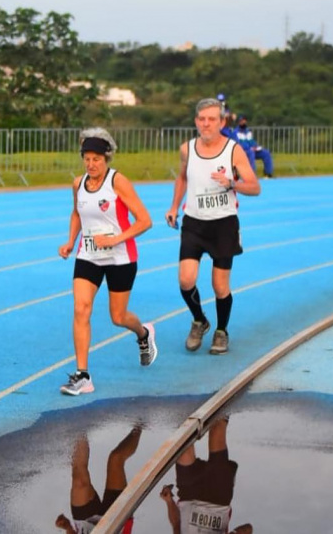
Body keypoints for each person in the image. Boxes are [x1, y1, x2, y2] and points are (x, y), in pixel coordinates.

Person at [57, 127, 158, 396]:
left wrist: (116, 239)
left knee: (118, 316)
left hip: (120, 257)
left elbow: (145, 221)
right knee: (81, 309)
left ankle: (143, 333)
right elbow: (77, 214)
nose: (91, 164)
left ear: (107, 158)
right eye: (87, 159)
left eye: (97, 159)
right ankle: (82, 375)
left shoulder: (118, 182)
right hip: (88, 254)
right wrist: (70, 241)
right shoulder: (78, 184)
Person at [164, 99, 261, 355]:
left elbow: (255, 186)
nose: (206, 124)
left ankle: (221, 331)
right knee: (186, 280)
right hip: (194, 223)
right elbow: (183, 177)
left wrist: (231, 183)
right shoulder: (187, 149)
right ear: (196, 121)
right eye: (201, 119)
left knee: (220, 286)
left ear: (221, 122)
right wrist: (174, 206)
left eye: (211, 119)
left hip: (223, 224)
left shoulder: (233, 150)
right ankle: (199, 320)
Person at [159, 418, 252, 534]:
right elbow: (248, 528)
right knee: (217, 429)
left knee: (183, 445)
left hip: (189, 494)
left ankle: (185, 412)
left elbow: (176, 524)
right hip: (219, 498)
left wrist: (169, 501)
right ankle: (220, 409)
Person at [55, 427, 141, 534]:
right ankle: (141, 422)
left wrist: (68, 527)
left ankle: (79, 426)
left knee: (79, 482)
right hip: (118, 524)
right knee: (116, 458)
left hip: (87, 527)